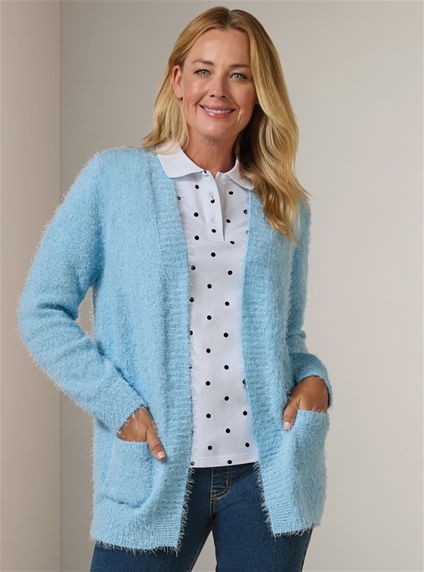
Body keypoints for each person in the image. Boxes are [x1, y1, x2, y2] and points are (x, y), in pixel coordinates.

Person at [18, 6, 332, 572]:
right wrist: (119, 407)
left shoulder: (283, 205)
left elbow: (287, 337)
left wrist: (314, 382)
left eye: (239, 74)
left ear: (259, 92)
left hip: (267, 476)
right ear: (178, 79)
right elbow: (41, 310)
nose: (219, 89)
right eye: (204, 70)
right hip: (154, 468)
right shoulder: (114, 180)